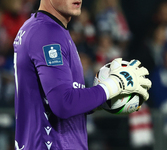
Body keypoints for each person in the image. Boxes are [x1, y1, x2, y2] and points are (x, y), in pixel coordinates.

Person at [13, 0, 151, 149]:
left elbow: (55, 99)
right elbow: (63, 104)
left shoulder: (41, 28)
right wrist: (114, 85)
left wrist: (101, 99)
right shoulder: (48, 33)